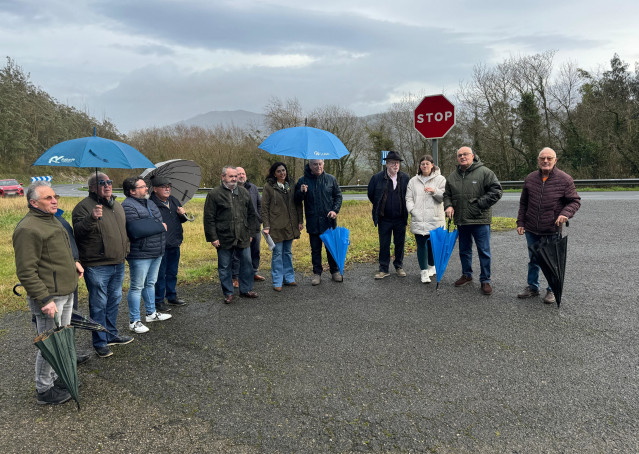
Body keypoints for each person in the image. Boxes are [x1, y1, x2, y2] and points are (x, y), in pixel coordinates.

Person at [13, 182, 83, 404]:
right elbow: (26, 271)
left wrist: (74, 262)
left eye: (55, 196)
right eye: (48, 198)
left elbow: (55, 253)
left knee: (61, 340)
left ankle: (56, 378)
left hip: (66, 291)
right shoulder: (28, 229)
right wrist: (44, 299)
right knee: (50, 345)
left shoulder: (52, 219)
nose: (54, 200)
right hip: (50, 298)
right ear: (33, 202)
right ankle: (44, 390)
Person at [72, 172, 132, 358]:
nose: (107, 185)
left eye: (109, 182)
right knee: (99, 304)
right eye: (101, 183)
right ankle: (99, 342)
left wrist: (126, 249)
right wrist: (91, 218)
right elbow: (78, 233)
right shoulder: (83, 207)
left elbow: (123, 231)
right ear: (91, 187)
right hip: (97, 265)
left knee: (114, 300)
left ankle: (111, 335)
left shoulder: (117, 206)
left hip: (118, 262)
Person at [516, 147, 581, 304]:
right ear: (538, 160)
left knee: (552, 261)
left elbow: (574, 201)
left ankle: (552, 290)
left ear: (555, 160)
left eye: (549, 158)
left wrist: (565, 214)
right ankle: (532, 287)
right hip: (531, 229)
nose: (545, 161)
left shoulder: (565, 179)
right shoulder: (530, 178)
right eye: (542, 158)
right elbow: (523, 203)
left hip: (551, 229)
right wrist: (520, 222)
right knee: (533, 259)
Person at [443, 147, 503, 295]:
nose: (463, 157)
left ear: (473, 156)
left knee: (484, 251)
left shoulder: (485, 172)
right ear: (457, 158)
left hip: (480, 220)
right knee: (464, 251)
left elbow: (496, 191)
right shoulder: (452, 176)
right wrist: (448, 205)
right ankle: (466, 275)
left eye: (465, 154)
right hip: (462, 221)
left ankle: (485, 280)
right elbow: (447, 194)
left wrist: (479, 204)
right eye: (460, 155)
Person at [122, 177, 172, 334]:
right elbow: (136, 230)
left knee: (151, 283)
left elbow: (157, 223)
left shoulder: (150, 203)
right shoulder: (127, 205)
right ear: (132, 191)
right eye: (142, 187)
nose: (146, 189)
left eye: (145, 186)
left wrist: (154, 226)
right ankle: (134, 321)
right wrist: (158, 227)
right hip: (140, 253)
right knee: (137, 286)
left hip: (156, 250)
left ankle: (151, 313)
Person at [203, 166, 258, 303]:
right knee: (225, 266)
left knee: (246, 263)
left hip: (243, 235)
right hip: (223, 237)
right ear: (223, 177)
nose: (234, 179)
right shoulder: (214, 194)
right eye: (231, 176)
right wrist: (213, 237)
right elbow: (209, 218)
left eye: (235, 176)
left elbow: (251, 214)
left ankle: (246, 290)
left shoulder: (244, 192)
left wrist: (251, 232)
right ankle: (228, 292)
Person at [294, 159, 343, 285]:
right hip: (313, 221)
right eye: (315, 164)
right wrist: (301, 192)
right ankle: (317, 273)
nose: (318, 166)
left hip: (329, 221)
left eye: (320, 164)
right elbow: (296, 200)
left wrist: (335, 210)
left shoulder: (331, 179)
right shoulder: (303, 181)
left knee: (331, 248)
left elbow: (338, 196)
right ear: (310, 165)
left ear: (324, 164)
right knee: (315, 249)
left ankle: (335, 271)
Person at [367, 150, 411, 279]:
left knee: (400, 243)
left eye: (397, 163)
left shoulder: (405, 178)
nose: (395, 165)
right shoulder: (377, 178)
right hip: (384, 218)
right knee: (384, 244)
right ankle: (383, 268)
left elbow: (409, 196)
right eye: (392, 163)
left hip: (400, 217)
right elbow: (371, 195)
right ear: (387, 164)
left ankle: (399, 266)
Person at [261, 162, 304, 291]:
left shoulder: (292, 185)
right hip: (275, 226)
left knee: (287, 252)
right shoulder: (269, 187)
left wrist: (300, 221)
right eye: (279, 171)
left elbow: (298, 204)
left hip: (290, 225)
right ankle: (277, 281)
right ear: (274, 173)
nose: (282, 173)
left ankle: (289, 278)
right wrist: (266, 226)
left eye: (284, 170)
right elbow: (264, 208)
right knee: (277, 253)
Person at [405, 155, 447, 283]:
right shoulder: (413, 181)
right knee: (421, 245)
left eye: (427, 163)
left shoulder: (440, 179)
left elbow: (444, 196)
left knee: (432, 245)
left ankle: (431, 266)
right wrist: (412, 210)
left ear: (432, 165)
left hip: (434, 218)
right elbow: (409, 198)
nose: (425, 166)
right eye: (422, 164)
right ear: (419, 166)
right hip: (418, 218)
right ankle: (423, 272)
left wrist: (434, 191)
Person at [149, 176, 188, 310]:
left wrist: (183, 214)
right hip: (160, 245)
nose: (167, 188)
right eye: (163, 186)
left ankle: (172, 296)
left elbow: (181, 220)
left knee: (172, 272)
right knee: (160, 274)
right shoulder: (151, 204)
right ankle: (159, 300)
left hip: (175, 243)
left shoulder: (173, 200)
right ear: (155, 189)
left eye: (168, 186)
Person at [231, 167, 265, 287]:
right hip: (239, 226)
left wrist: (260, 218)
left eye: (243, 173)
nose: (241, 175)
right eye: (239, 174)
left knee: (255, 250)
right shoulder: (232, 189)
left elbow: (259, 204)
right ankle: (235, 277)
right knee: (237, 252)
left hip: (254, 225)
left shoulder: (253, 188)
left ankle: (253, 272)